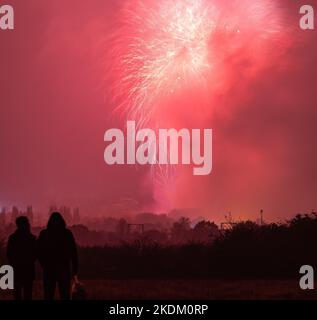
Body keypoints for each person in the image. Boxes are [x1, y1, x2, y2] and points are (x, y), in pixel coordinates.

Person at [37, 212, 78, 300]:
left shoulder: (44, 234)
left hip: (49, 269)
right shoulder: (67, 234)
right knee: (65, 295)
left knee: (48, 295)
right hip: (64, 268)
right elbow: (73, 252)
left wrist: (44, 264)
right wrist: (75, 270)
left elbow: (38, 251)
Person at [6, 216, 37, 300]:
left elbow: (9, 253)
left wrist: (13, 262)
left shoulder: (12, 238)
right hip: (28, 268)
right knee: (28, 292)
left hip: (16, 268)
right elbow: (35, 253)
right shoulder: (32, 238)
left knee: (17, 292)